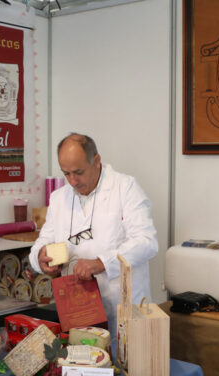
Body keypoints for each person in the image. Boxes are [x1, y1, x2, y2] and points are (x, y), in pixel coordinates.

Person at [29, 133, 158, 349]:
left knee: (128, 370)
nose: (72, 181)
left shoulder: (125, 188)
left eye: (78, 172)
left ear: (96, 161)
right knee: (87, 367)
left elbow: (146, 242)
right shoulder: (59, 197)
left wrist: (102, 262)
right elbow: (44, 239)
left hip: (123, 306)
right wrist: (40, 257)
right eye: (66, 173)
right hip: (79, 310)